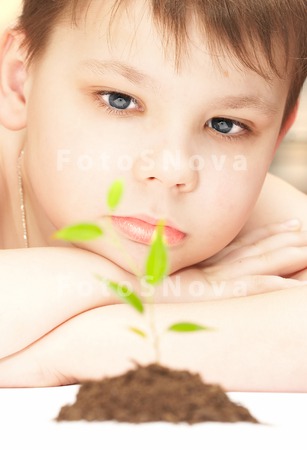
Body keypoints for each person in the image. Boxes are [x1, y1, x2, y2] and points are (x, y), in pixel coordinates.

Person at [0, 0, 307, 390]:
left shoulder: (262, 218)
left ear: (277, 137)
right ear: (19, 81)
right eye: (120, 100)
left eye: (225, 125)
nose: (171, 169)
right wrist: (176, 290)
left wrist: (86, 348)